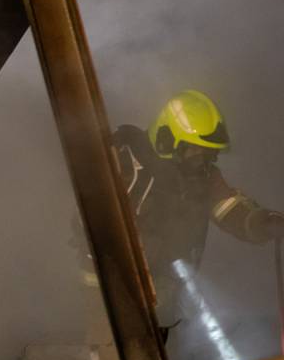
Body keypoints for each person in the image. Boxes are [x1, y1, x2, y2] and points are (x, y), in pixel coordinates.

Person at [85, 90, 284, 326]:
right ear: (167, 140)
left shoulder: (202, 176)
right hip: (105, 298)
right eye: (194, 151)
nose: (201, 161)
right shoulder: (124, 165)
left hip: (163, 296)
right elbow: (91, 225)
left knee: (163, 356)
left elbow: (228, 208)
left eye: (208, 154)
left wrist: (262, 222)